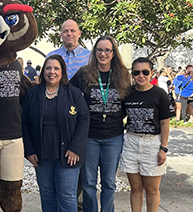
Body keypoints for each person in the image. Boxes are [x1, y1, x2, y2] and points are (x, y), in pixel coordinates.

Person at [69, 35, 130, 212]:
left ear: (113, 53)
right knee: (88, 182)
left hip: (113, 136)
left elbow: (128, 102)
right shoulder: (84, 73)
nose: (103, 54)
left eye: (107, 50)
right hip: (89, 136)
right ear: (95, 52)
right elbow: (68, 92)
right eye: (100, 50)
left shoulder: (123, 74)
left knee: (109, 182)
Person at [22, 55, 90, 212]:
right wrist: (30, 151)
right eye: (48, 68)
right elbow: (24, 123)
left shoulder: (73, 93)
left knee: (66, 195)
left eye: (56, 68)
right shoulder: (32, 94)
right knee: (47, 194)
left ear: (62, 72)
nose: (52, 72)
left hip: (68, 153)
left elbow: (84, 120)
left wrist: (75, 148)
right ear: (43, 71)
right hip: (41, 153)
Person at [121, 57, 174, 212]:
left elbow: (165, 123)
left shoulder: (159, 94)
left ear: (152, 73)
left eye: (145, 72)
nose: (141, 76)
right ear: (132, 74)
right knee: (136, 188)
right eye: (137, 72)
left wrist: (163, 148)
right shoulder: (128, 93)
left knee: (151, 189)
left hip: (152, 143)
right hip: (131, 141)